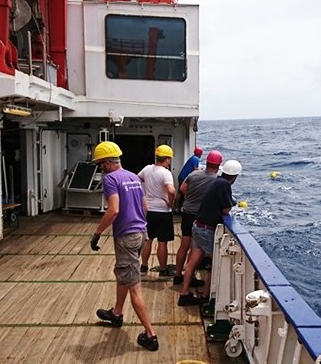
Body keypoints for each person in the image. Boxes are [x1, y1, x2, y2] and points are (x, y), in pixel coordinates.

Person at [89, 141, 159, 351]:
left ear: (109, 162)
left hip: (126, 237)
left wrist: (97, 233)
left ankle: (150, 335)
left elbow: (114, 210)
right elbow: (145, 206)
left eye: (101, 164)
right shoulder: (133, 177)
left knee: (135, 288)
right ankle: (116, 313)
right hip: (141, 233)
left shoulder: (110, 179)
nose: (101, 168)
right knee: (121, 272)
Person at [178, 159, 242, 306]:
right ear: (235, 177)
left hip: (198, 225)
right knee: (216, 264)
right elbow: (226, 210)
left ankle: (184, 293)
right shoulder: (225, 185)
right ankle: (206, 296)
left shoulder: (217, 181)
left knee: (193, 261)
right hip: (207, 229)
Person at [173, 150, 223, 286]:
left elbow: (183, 188)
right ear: (218, 166)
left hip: (187, 212)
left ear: (206, 162)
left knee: (184, 245)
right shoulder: (216, 181)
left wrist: (191, 196)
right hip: (199, 217)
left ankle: (177, 275)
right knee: (194, 249)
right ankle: (189, 277)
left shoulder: (193, 174)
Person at [138, 144, 176, 277]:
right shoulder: (166, 173)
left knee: (148, 240)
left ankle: (143, 266)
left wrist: (144, 194)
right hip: (162, 211)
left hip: (148, 210)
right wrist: (170, 202)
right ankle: (163, 269)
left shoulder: (147, 169)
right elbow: (171, 190)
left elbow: (138, 179)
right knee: (162, 242)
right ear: (167, 159)